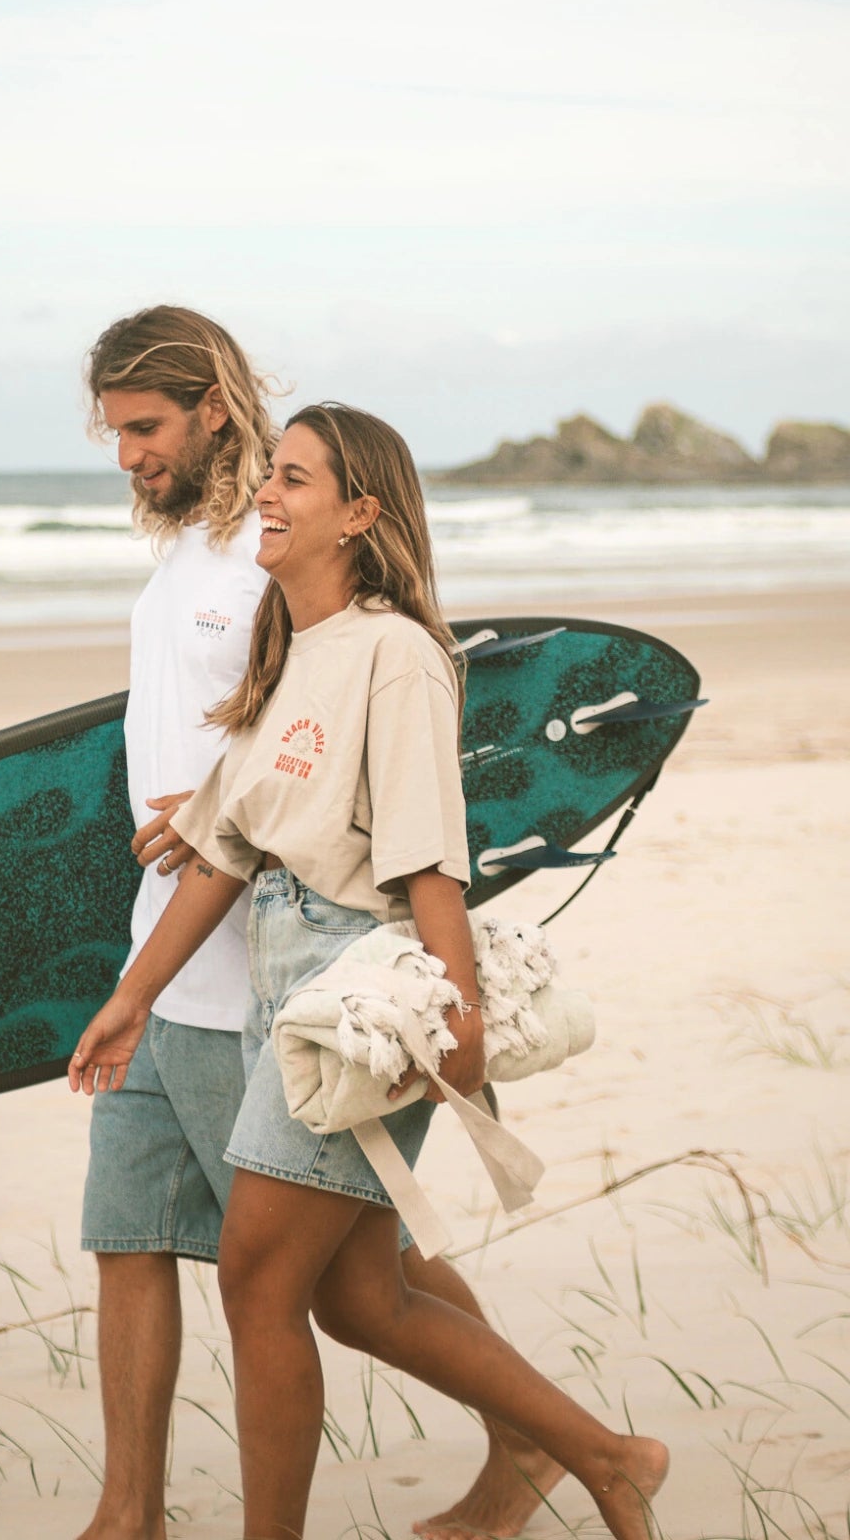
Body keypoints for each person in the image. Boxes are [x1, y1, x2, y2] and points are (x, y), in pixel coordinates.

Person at [71, 402, 670, 1540]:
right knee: (355, 1295)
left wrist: (463, 1023)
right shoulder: (290, 652)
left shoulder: (396, 653)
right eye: (271, 478)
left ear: (360, 513)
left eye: (295, 481)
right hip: (278, 989)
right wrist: (132, 997)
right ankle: (609, 1455)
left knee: (256, 1281)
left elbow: (429, 860)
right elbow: (221, 856)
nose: (269, 497)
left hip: (366, 994)